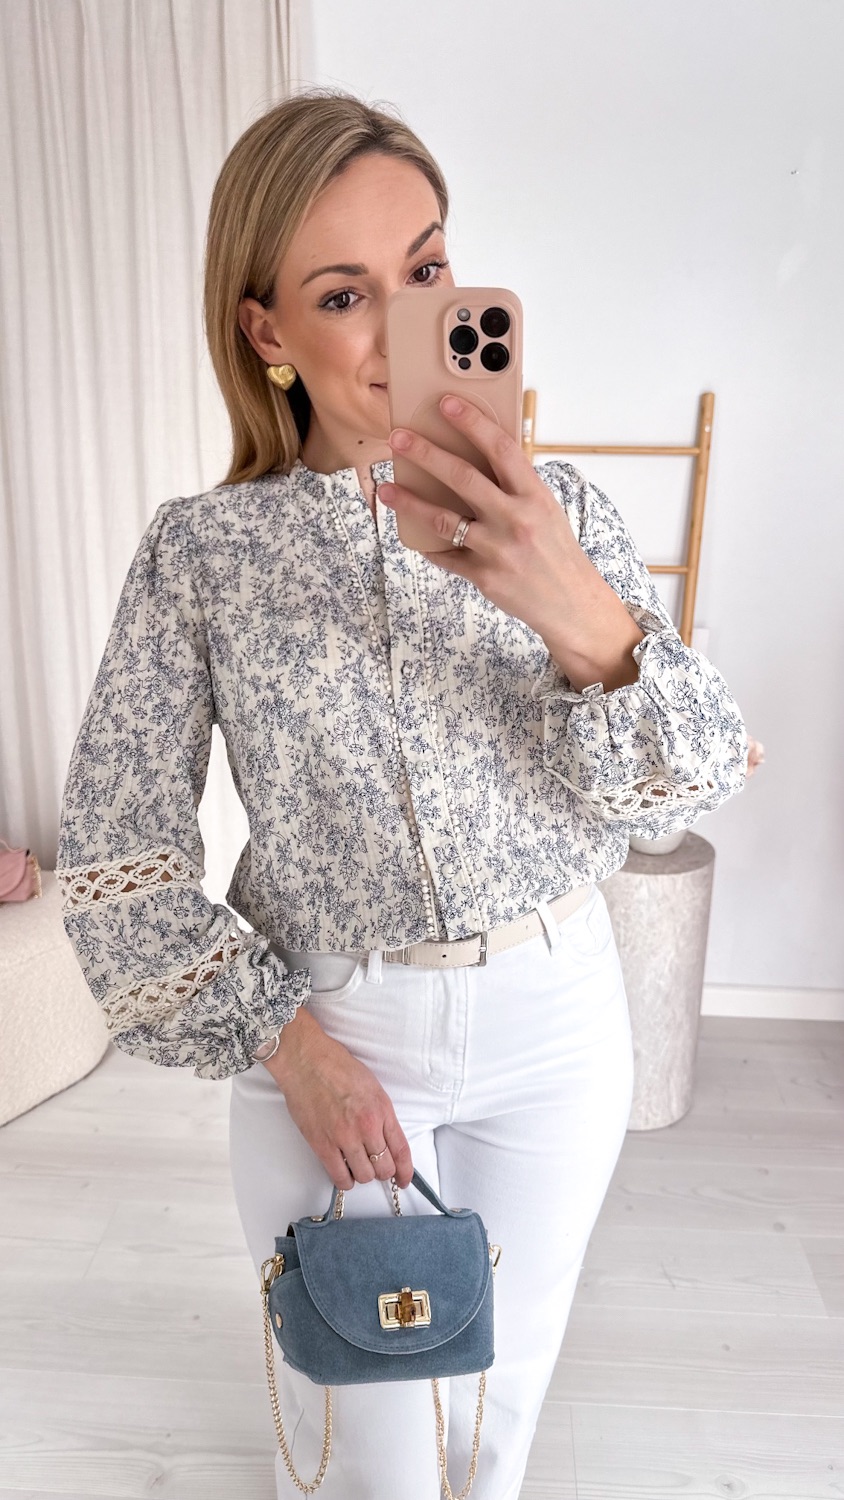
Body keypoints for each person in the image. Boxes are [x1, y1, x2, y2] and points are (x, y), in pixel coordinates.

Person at [56, 88, 749, 1500]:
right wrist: (290, 1046)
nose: (399, 328)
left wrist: (573, 603)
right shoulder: (205, 554)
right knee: (361, 1440)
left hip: (559, 1022)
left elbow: (686, 786)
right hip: (335, 1032)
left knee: (498, 1415)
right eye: (342, 295)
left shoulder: (560, 513)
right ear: (266, 332)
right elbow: (117, 860)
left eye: (426, 270)